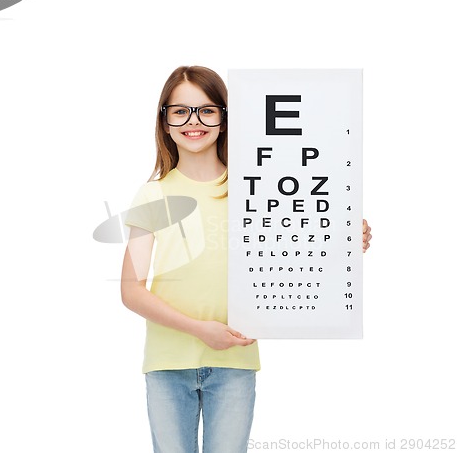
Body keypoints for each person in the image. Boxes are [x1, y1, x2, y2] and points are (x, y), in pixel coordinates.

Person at [120, 66, 372, 453]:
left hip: (235, 361)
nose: (194, 122)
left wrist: (341, 240)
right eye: (180, 111)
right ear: (165, 121)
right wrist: (199, 329)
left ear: (224, 118)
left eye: (207, 110)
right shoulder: (154, 195)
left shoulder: (255, 188)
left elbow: (292, 247)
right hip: (168, 363)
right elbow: (131, 290)